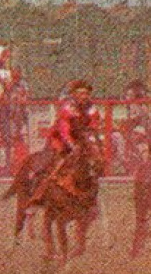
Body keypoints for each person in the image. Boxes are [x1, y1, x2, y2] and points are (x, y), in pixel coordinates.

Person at [23, 79, 103, 208]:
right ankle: (37, 193)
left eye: (86, 94)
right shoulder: (67, 108)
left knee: (94, 159)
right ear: (74, 95)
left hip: (83, 141)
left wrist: (93, 142)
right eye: (80, 94)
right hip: (61, 140)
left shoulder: (92, 109)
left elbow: (94, 126)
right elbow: (63, 130)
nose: (84, 97)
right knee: (54, 162)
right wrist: (72, 145)